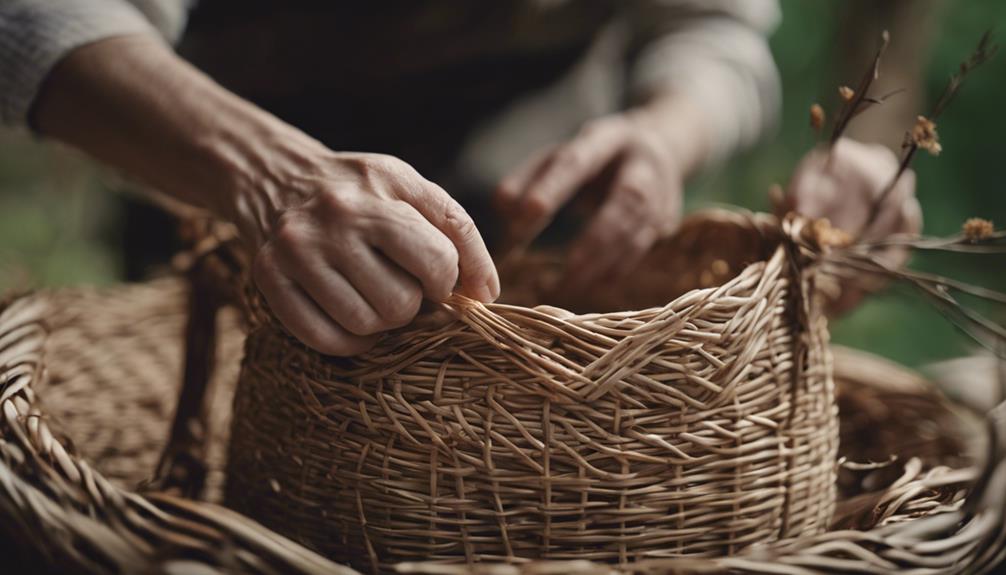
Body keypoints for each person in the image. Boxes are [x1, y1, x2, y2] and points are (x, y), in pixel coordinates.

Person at [0, 0, 919, 356]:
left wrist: (662, 134)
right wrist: (265, 177)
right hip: (221, 195)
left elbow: (710, 29)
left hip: (539, 212)